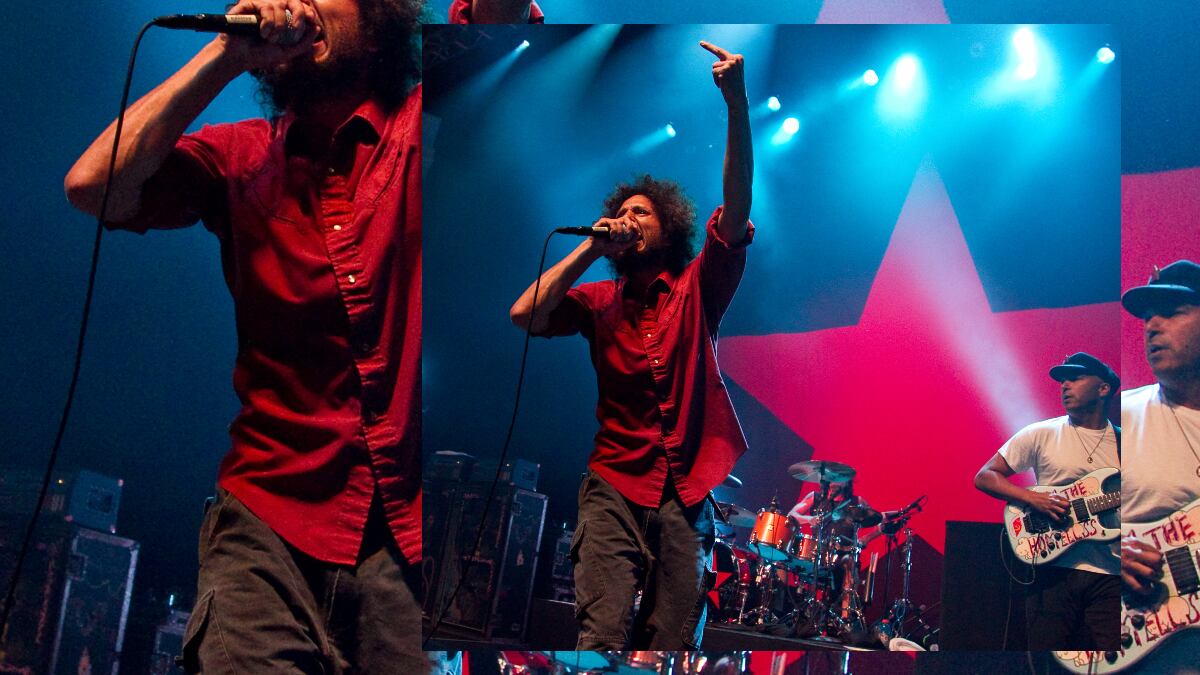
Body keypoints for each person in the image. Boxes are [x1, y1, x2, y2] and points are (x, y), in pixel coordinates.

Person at [61, 0, 449, 671]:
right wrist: (227, 54)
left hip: (402, 540)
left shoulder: (423, 129)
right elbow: (94, 185)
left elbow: (497, 27)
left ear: (379, 20)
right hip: (268, 522)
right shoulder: (240, 154)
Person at [509, 40, 753, 650]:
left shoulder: (697, 286)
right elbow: (525, 315)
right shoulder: (598, 301)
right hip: (615, 484)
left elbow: (737, 208)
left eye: (642, 213)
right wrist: (592, 246)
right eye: (622, 212)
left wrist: (736, 104)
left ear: (669, 227)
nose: (629, 218)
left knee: (668, 644)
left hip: (686, 492)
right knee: (601, 635)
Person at [973, 352, 1120, 650]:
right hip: (1052, 567)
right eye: (1062, 380)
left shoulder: (1125, 442)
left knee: (1111, 663)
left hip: (1111, 572)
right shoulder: (1041, 433)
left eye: (1075, 378)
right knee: (1047, 659)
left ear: (1103, 388)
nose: (1065, 385)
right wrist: (1031, 497)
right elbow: (985, 476)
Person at [1118, 259, 1200, 673]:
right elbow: (1043, 536)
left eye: (1171, 312)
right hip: (1141, 650)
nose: (1151, 326)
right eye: (1148, 317)